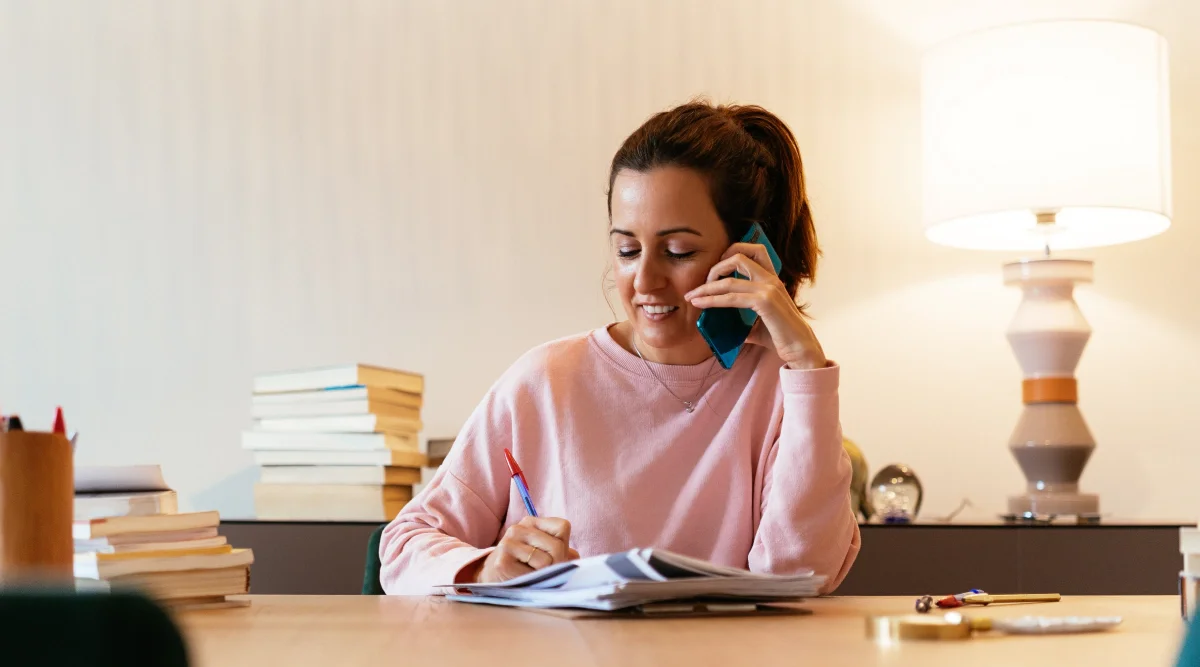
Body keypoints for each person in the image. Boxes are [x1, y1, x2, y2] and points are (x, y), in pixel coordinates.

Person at [379, 100, 861, 594]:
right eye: (627, 250)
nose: (645, 281)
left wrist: (806, 366)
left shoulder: (784, 390)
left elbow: (802, 576)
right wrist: (486, 569)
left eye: (678, 252)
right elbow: (403, 547)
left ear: (745, 253)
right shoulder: (543, 381)